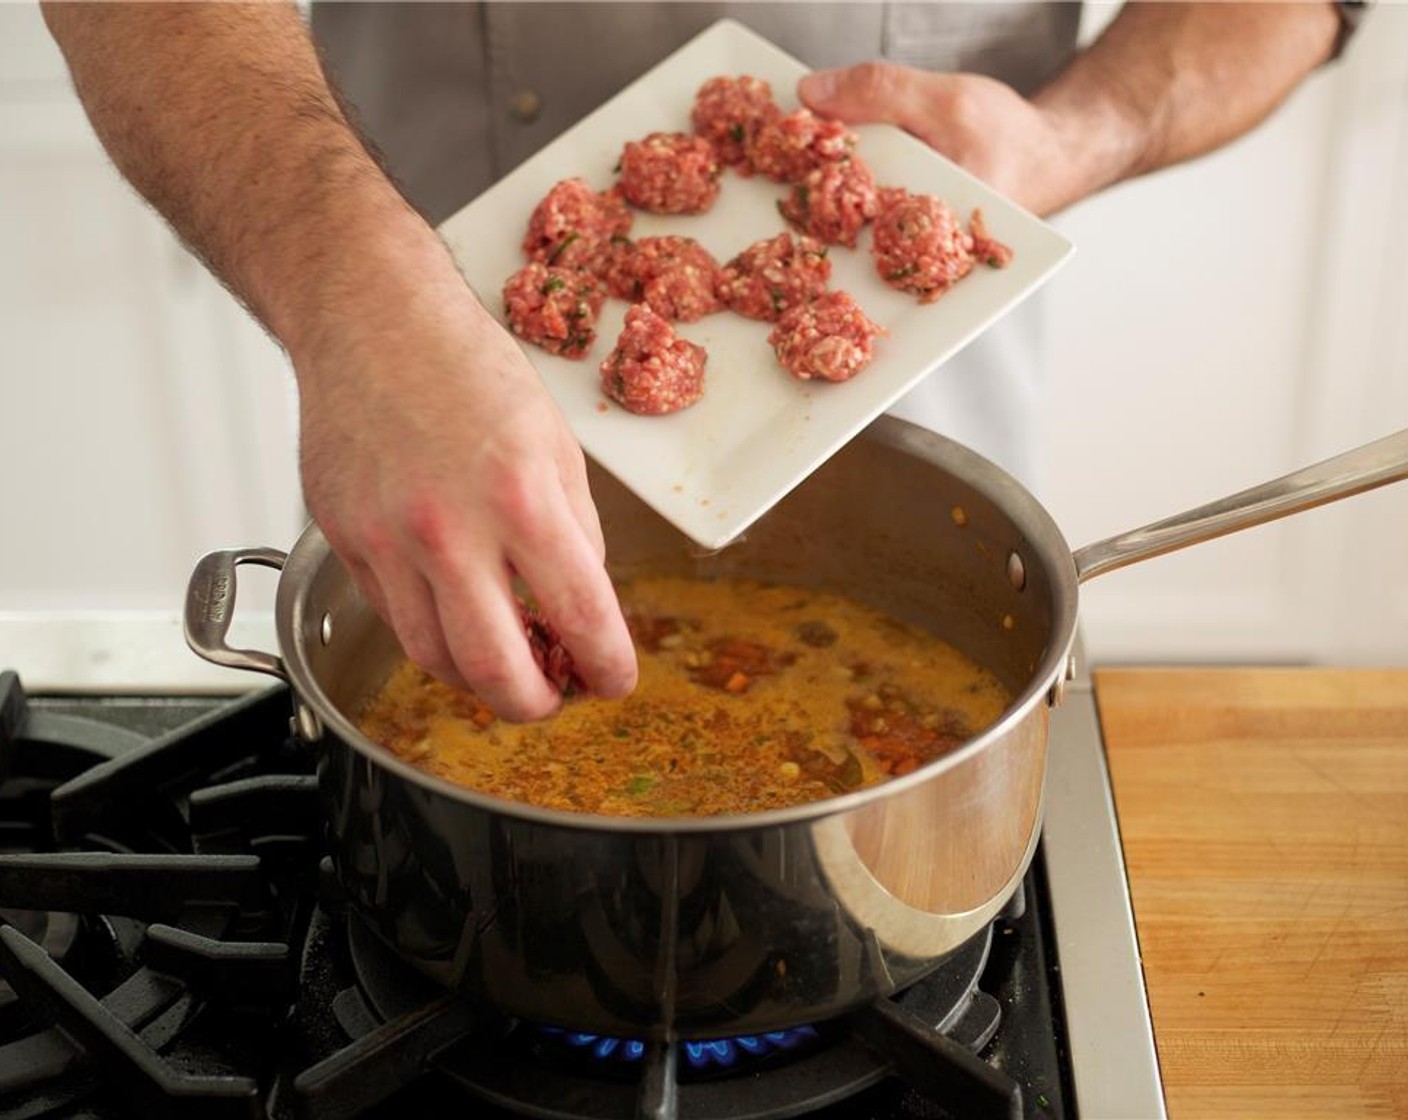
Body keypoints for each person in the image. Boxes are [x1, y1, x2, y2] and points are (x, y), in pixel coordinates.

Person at [41, 2, 1350, 722]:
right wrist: (348, 295)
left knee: (921, 700)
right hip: (409, 412)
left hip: (928, 428)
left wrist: (1070, 141)